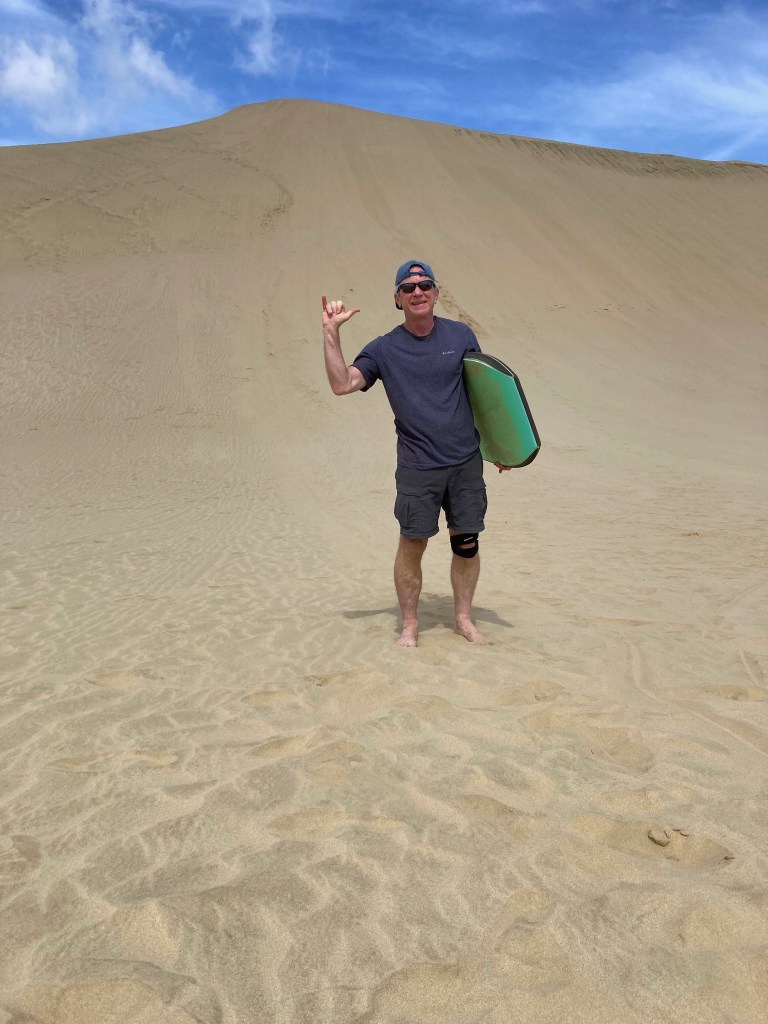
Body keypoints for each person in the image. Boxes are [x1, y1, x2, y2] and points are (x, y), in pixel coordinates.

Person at [322, 260, 510, 648]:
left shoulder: (461, 336)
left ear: (437, 293)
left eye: (425, 285)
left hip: (464, 463)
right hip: (417, 467)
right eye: (408, 288)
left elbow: (485, 394)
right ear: (397, 299)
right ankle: (409, 624)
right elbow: (343, 384)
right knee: (413, 543)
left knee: (467, 542)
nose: (418, 292)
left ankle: (463, 618)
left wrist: (500, 446)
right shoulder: (385, 349)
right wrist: (330, 333)